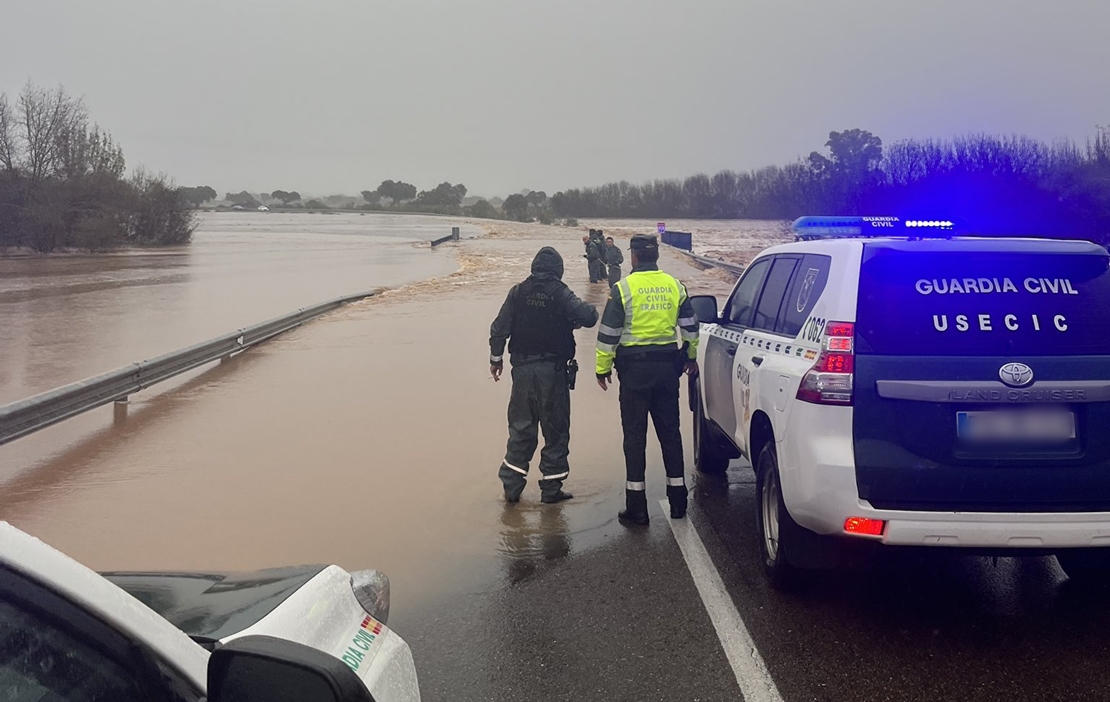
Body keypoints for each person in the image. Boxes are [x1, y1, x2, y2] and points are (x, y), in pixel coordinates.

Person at [595, 234, 699, 525]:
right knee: (670, 434)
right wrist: (690, 356)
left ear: (634, 257)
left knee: (634, 438)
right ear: (656, 256)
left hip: (634, 374)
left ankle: (637, 508)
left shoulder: (623, 288)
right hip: (668, 372)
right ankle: (679, 503)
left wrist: (601, 368)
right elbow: (691, 327)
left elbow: (608, 335)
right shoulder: (675, 286)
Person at [490, 246, 599, 504]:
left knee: (521, 428)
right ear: (558, 270)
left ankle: (512, 488)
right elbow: (589, 316)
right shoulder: (561, 294)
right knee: (555, 429)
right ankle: (551, 490)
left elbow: (499, 329)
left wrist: (496, 360)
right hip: (552, 372)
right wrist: (577, 319)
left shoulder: (517, 292)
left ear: (534, 267)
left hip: (522, 372)